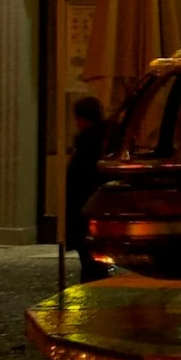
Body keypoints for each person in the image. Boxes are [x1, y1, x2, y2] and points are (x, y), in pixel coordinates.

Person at [65, 96, 111, 282]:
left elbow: (81, 178)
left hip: (86, 209)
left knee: (91, 262)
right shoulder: (105, 142)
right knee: (95, 261)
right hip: (95, 209)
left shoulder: (87, 144)